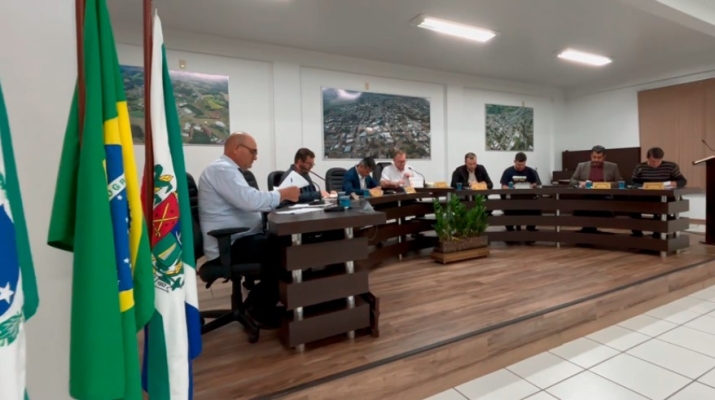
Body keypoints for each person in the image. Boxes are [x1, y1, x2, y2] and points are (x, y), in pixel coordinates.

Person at [198, 132, 300, 328]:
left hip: (239, 238)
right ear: (237, 149)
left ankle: (257, 302)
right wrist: (282, 194)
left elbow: (249, 198)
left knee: (280, 241)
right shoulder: (221, 169)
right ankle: (260, 309)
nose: (255, 157)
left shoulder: (230, 170)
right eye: (253, 152)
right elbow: (249, 200)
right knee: (282, 248)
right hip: (229, 244)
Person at [631, 147, 687, 237]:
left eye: (658, 161)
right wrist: (641, 185)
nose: (655, 164)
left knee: (661, 207)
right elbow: (633, 181)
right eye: (653, 161)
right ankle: (637, 234)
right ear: (647, 157)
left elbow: (683, 181)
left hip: (665, 196)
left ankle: (658, 234)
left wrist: (675, 183)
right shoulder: (640, 167)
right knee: (632, 205)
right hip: (646, 196)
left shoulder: (671, 166)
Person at [569, 145, 623, 234]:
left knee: (596, 203)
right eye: (594, 157)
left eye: (599, 157)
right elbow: (572, 181)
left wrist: (604, 185)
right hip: (585, 196)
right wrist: (580, 183)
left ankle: (591, 231)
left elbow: (619, 182)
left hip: (603, 196)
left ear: (604, 157)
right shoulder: (582, 166)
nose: (596, 160)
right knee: (587, 203)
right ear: (590, 156)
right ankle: (589, 230)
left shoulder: (613, 166)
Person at [500, 152, 541, 235]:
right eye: (519, 165)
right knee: (508, 211)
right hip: (512, 200)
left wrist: (530, 185)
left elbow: (537, 184)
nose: (521, 167)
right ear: (514, 161)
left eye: (523, 165)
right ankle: (510, 232)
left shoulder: (531, 171)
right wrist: (511, 188)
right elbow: (503, 186)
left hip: (528, 200)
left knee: (537, 210)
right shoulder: (508, 171)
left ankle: (530, 230)